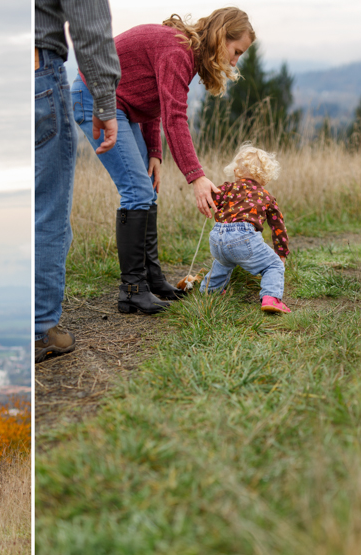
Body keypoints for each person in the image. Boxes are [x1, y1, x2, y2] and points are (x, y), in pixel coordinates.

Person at [71, 8, 255, 314]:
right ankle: (132, 291)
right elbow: (175, 118)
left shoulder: (186, 52)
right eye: (236, 52)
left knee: (147, 189)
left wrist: (154, 152)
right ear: (222, 36)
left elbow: (152, 101)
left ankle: (152, 279)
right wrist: (196, 177)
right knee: (137, 192)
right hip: (95, 99)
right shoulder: (178, 51)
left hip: (123, 106)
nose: (235, 62)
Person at [35, 0, 121, 362]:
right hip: (36, 70)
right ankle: (40, 328)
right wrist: (105, 102)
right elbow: (89, 22)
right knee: (47, 210)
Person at [200, 143, 291, 313]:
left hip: (217, 237)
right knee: (274, 266)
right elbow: (278, 227)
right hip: (243, 237)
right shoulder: (267, 196)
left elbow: (209, 199)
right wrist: (281, 252)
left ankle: (209, 293)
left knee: (223, 262)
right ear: (265, 177)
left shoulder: (227, 188)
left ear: (235, 170)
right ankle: (271, 298)